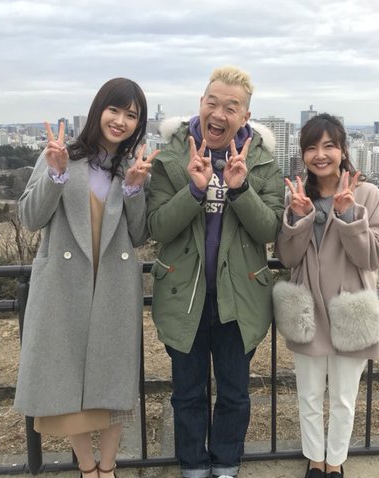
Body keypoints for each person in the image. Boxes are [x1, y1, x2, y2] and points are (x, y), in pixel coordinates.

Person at [13, 78, 158, 478]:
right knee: (66, 377)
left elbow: (140, 234)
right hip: (65, 285)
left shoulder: (131, 168)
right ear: (98, 110)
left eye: (131, 115)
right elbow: (30, 218)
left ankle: (107, 469)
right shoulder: (61, 156)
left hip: (113, 284)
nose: (121, 121)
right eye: (115, 110)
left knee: (112, 384)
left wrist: (134, 190)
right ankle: (88, 467)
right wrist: (55, 175)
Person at [146, 66, 285, 478]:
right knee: (187, 392)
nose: (219, 113)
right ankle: (192, 465)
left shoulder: (263, 163)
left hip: (239, 297)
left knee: (234, 392)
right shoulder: (170, 157)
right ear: (201, 104)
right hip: (183, 294)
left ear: (245, 116)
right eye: (213, 102)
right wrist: (194, 189)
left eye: (231, 107)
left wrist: (240, 189)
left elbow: (269, 229)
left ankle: (225, 464)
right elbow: (158, 227)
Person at [275, 114, 379, 478]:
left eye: (329, 146)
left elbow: (373, 257)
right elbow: (288, 257)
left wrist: (349, 214)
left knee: (343, 397)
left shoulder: (367, 195)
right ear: (303, 154)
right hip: (307, 307)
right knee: (308, 395)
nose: (320, 155)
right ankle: (314, 458)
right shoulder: (297, 196)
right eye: (311, 147)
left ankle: (335, 460)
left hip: (349, 308)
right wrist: (299, 218)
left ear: (343, 150)